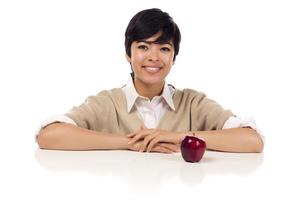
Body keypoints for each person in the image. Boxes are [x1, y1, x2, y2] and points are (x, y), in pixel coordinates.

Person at [36, 8, 264, 153]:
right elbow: (49, 136)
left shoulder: (193, 103)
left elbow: (252, 141)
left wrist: (174, 137)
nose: (154, 57)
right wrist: (130, 142)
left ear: (174, 57)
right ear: (128, 53)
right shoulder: (107, 103)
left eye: (164, 48)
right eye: (143, 47)